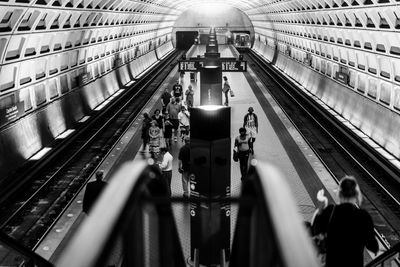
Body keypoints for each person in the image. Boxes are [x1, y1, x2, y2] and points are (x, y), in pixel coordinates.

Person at [312, 176, 378, 267]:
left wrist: (320, 208)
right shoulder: (363, 216)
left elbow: (316, 231)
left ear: (339, 193)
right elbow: (373, 246)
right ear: (356, 195)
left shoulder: (330, 211)